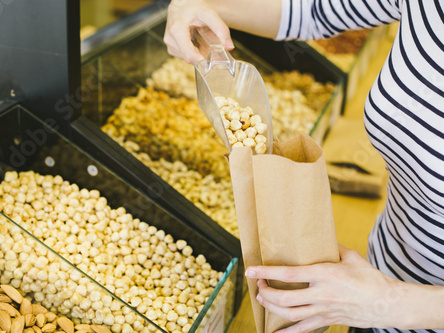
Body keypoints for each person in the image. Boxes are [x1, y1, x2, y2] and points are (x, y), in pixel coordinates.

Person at [164, 0, 444, 332]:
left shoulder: (381, 303)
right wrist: (200, 5)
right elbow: (312, 11)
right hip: (376, 281)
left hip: (390, 307)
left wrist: (388, 302)